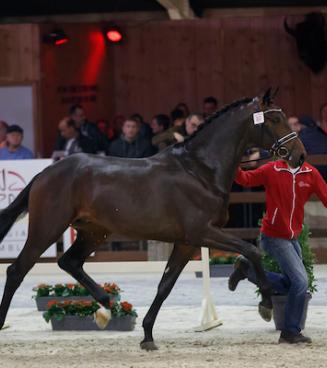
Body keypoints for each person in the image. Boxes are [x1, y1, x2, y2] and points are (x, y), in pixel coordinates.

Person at [228, 159, 327, 344]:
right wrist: (235, 165)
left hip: (292, 237)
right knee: (300, 281)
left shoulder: (310, 173)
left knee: (294, 284)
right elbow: (246, 179)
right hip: (273, 236)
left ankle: (247, 270)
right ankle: (290, 331)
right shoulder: (272, 169)